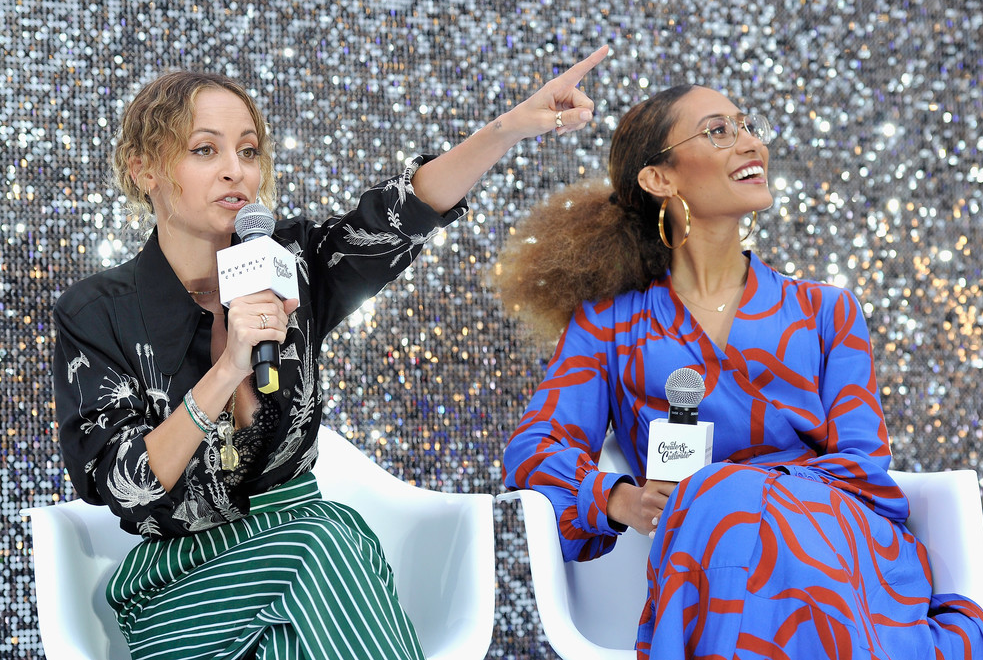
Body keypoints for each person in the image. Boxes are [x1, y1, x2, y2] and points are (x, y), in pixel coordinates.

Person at [52, 46, 606, 660]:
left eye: (248, 151)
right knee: (328, 545)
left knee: (322, 563)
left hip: (307, 548)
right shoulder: (97, 313)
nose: (236, 171)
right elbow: (121, 484)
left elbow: (403, 215)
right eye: (205, 150)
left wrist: (508, 128)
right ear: (143, 169)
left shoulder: (293, 263)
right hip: (183, 580)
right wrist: (229, 369)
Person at [498, 84, 983, 658]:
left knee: (726, 493)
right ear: (659, 178)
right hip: (707, 557)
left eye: (748, 127)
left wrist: (741, 491)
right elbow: (534, 450)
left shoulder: (826, 310)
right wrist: (619, 499)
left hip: (841, 551)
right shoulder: (610, 324)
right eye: (719, 131)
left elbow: (863, 467)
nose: (751, 144)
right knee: (722, 502)